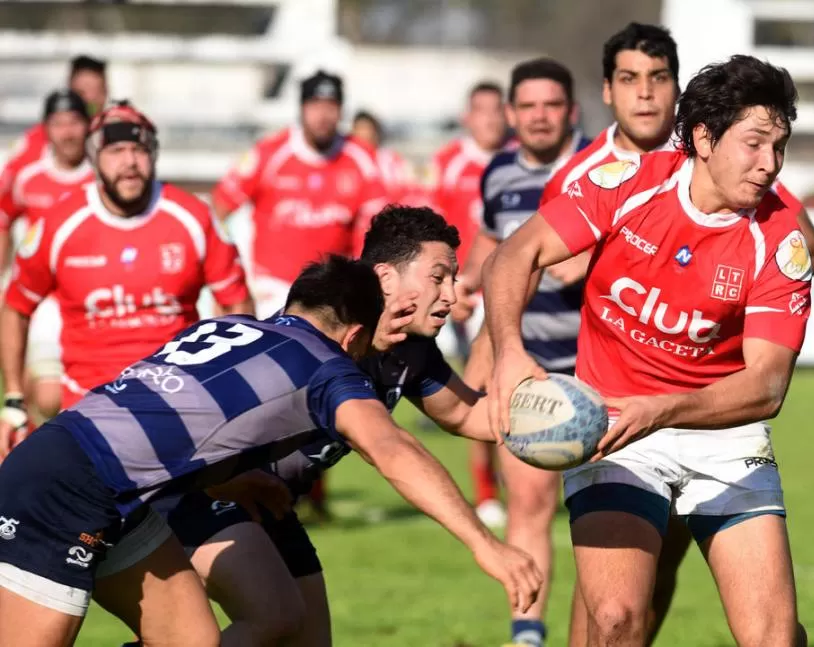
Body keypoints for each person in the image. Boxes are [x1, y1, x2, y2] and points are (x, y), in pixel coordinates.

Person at [0, 255, 542, 647]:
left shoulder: (230, 326)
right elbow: (393, 448)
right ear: (353, 334)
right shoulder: (325, 366)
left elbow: (161, 427)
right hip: (64, 494)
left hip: (100, 481)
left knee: (192, 640)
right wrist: (484, 545)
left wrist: (226, 481)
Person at [484, 55, 812, 647]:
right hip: (615, 432)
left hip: (723, 434)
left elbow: (766, 385)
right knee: (614, 619)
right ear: (705, 138)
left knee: (775, 639)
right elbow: (516, 254)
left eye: (780, 146)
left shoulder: (779, 239)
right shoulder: (629, 184)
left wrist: (660, 408)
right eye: (756, 143)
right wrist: (509, 349)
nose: (771, 165)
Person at [158, 205, 518, 646]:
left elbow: (466, 414)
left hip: (269, 504)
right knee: (275, 618)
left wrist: (576, 419)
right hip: (205, 490)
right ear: (385, 278)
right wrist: (485, 544)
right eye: (437, 277)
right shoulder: (322, 333)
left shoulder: (410, 350)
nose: (450, 294)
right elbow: (392, 452)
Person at [0, 101, 254, 454]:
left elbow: (235, 303)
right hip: (88, 409)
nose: (130, 161)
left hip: (177, 403)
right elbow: (16, 307)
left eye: (139, 149)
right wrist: (13, 400)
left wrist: (234, 385)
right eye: (116, 150)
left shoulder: (194, 218)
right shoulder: (59, 225)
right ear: (94, 158)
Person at [453, 58, 588, 647]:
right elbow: (489, 242)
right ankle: (527, 632)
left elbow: (586, 262)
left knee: (608, 518)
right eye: (527, 106)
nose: (539, 117)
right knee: (529, 505)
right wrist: (462, 283)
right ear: (510, 114)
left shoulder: (598, 169)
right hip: (526, 366)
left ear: (572, 111)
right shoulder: (500, 171)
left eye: (551, 105)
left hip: (605, 369)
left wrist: (543, 260)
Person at [210, 69, 388, 320]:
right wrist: (225, 280)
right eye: (315, 106)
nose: (323, 116)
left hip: (333, 290)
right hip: (271, 289)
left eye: (331, 107)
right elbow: (219, 210)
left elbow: (376, 229)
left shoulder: (361, 159)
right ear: (302, 108)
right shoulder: (270, 153)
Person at [429, 80, 509, 527]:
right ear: (468, 116)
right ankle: (486, 490)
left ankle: (506, 484)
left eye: (497, 110)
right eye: (482, 110)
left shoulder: (521, 159)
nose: (491, 119)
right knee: (477, 387)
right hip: (461, 289)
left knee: (496, 383)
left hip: (511, 286)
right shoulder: (447, 164)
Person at [0, 90, 94, 430]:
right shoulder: (29, 177)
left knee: (55, 398)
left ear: (87, 126)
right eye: (58, 124)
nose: (67, 132)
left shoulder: (101, 178)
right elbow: (4, 217)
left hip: (86, 299)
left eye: (74, 122)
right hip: (42, 299)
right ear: (47, 129)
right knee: (40, 397)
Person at [351, 110, 430, 208]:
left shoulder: (388, 158)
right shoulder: (348, 160)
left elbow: (407, 186)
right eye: (359, 129)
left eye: (367, 128)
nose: (363, 133)